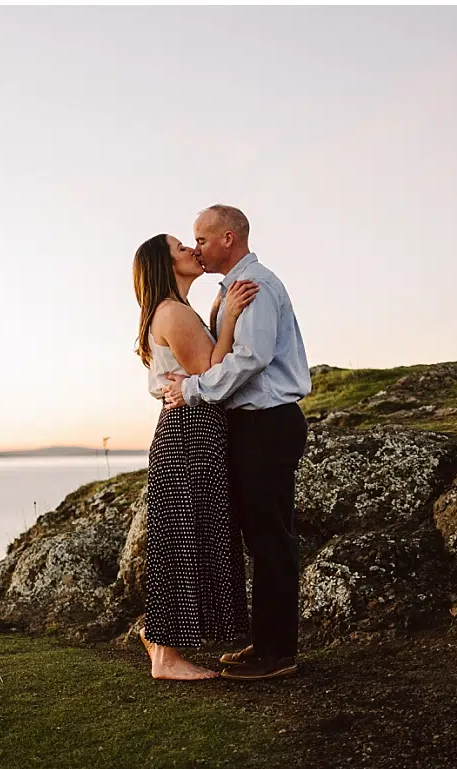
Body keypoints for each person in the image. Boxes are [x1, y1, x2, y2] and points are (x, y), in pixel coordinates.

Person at [160, 204, 311, 681]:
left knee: (271, 538)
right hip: (251, 425)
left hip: (268, 422)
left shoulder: (256, 286)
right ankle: (265, 642)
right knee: (260, 536)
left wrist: (192, 389)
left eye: (201, 240)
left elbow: (251, 360)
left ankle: (278, 653)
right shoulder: (229, 292)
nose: (196, 248)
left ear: (228, 238)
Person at [132, 232, 258, 681]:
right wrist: (228, 324)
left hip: (191, 430)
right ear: (165, 266)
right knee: (182, 537)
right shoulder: (172, 312)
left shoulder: (176, 312)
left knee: (186, 535)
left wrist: (214, 321)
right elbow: (212, 372)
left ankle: (161, 639)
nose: (191, 249)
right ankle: (165, 657)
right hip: (188, 433)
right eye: (180, 247)